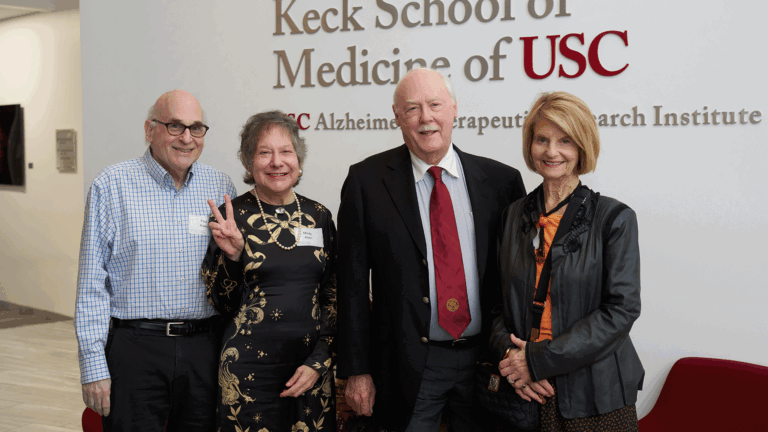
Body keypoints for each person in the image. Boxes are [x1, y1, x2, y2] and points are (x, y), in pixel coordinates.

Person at [336, 68, 526, 431]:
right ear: (397, 117)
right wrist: (357, 370)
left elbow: (519, 280)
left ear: (454, 109)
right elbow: (353, 286)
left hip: (486, 361)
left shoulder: (503, 182)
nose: (426, 118)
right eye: (412, 109)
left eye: (435, 104)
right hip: (408, 365)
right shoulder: (366, 182)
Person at [75, 89, 237, 431]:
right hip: (135, 351)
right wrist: (93, 367)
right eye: (175, 126)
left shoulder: (220, 185)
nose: (187, 138)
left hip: (203, 349)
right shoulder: (111, 185)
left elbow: (230, 273)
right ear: (150, 130)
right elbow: (92, 285)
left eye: (196, 128)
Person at [491, 91, 644, 431]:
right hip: (524, 394)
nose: (551, 151)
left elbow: (621, 310)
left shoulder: (614, 218)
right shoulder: (511, 216)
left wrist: (537, 361)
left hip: (595, 397)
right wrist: (512, 359)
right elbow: (495, 305)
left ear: (582, 147)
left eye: (564, 140)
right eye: (542, 139)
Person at [201, 111, 337, 431]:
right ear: (249, 163)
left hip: (310, 369)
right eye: (265, 152)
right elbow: (220, 303)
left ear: (298, 160)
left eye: (286, 151)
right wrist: (233, 256)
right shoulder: (230, 217)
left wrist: (319, 361)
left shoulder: (319, 216)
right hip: (248, 374)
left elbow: (337, 297)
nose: (277, 162)